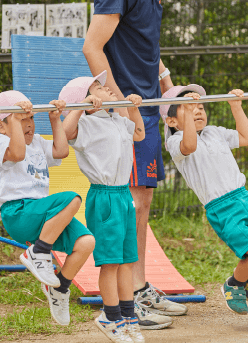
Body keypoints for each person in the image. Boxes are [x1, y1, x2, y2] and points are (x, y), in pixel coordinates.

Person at [83, 0, 182, 328]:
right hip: (129, 108)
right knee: (130, 206)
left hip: (150, 104)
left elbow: (145, 42)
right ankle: (126, 301)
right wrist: (119, 104)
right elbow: (92, 46)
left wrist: (168, 85)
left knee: (143, 202)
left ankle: (138, 287)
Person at [164, 85, 248, 315]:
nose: (197, 111)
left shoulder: (214, 132)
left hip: (245, 197)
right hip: (222, 208)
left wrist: (236, 107)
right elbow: (189, 145)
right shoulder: (175, 142)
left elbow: (246, 138)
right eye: (189, 108)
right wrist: (188, 116)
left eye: (200, 107)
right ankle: (234, 283)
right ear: (172, 121)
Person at [0, 90, 95, 326]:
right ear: (1, 126)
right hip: (17, 213)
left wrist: (54, 119)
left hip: (41, 216)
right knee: (71, 198)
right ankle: (39, 251)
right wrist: (15, 120)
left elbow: (61, 151)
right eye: (20, 119)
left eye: (30, 119)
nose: (28, 125)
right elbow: (16, 154)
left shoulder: (36, 142)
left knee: (86, 242)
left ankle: (60, 288)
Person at [60, 71, 149, 342]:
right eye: (98, 87)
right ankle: (110, 318)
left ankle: (127, 315)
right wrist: (79, 109)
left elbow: (140, 134)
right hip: (104, 197)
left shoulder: (116, 119)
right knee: (110, 263)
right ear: (86, 99)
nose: (108, 88)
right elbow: (65, 134)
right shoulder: (86, 126)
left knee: (126, 261)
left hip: (123, 195)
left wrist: (131, 109)